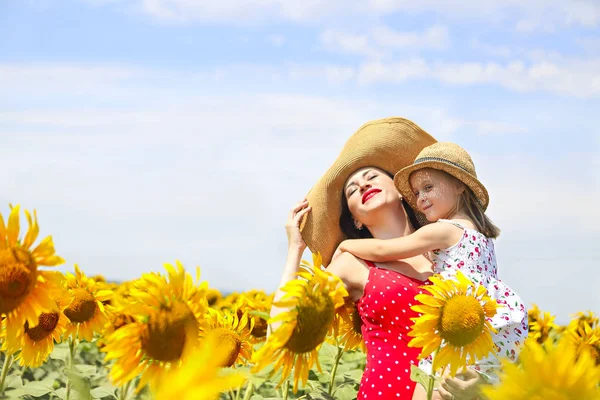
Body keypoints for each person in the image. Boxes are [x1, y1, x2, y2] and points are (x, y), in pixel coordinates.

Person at [274, 118, 485, 399]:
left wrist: (481, 382)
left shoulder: (450, 252)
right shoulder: (353, 263)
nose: (362, 185)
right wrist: (295, 249)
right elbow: (283, 326)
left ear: (401, 189)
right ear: (355, 219)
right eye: (352, 190)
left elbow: (488, 331)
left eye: (372, 177)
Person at [334, 142, 528, 399]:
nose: (422, 198)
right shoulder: (482, 238)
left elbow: (385, 250)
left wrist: (347, 244)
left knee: (428, 389)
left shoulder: (443, 231)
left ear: (460, 185)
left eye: (428, 188)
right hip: (488, 331)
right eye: (417, 193)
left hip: (458, 327)